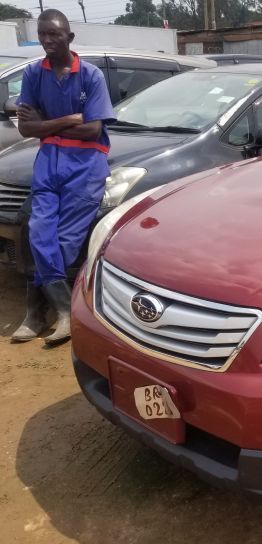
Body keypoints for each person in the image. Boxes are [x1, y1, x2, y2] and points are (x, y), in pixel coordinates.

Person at [11, 9, 115, 346]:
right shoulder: (32, 74)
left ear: (69, 37)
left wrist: (46, 122)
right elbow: (26, 127)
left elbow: (92, 128)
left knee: (65, 242)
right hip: (49, 162)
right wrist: (67, 118)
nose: (47, 40)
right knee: (38, 230)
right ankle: (65, 311)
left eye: (54, 35)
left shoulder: (90, 75)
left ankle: (37, 312)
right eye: (42, 34)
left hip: (85, 166)